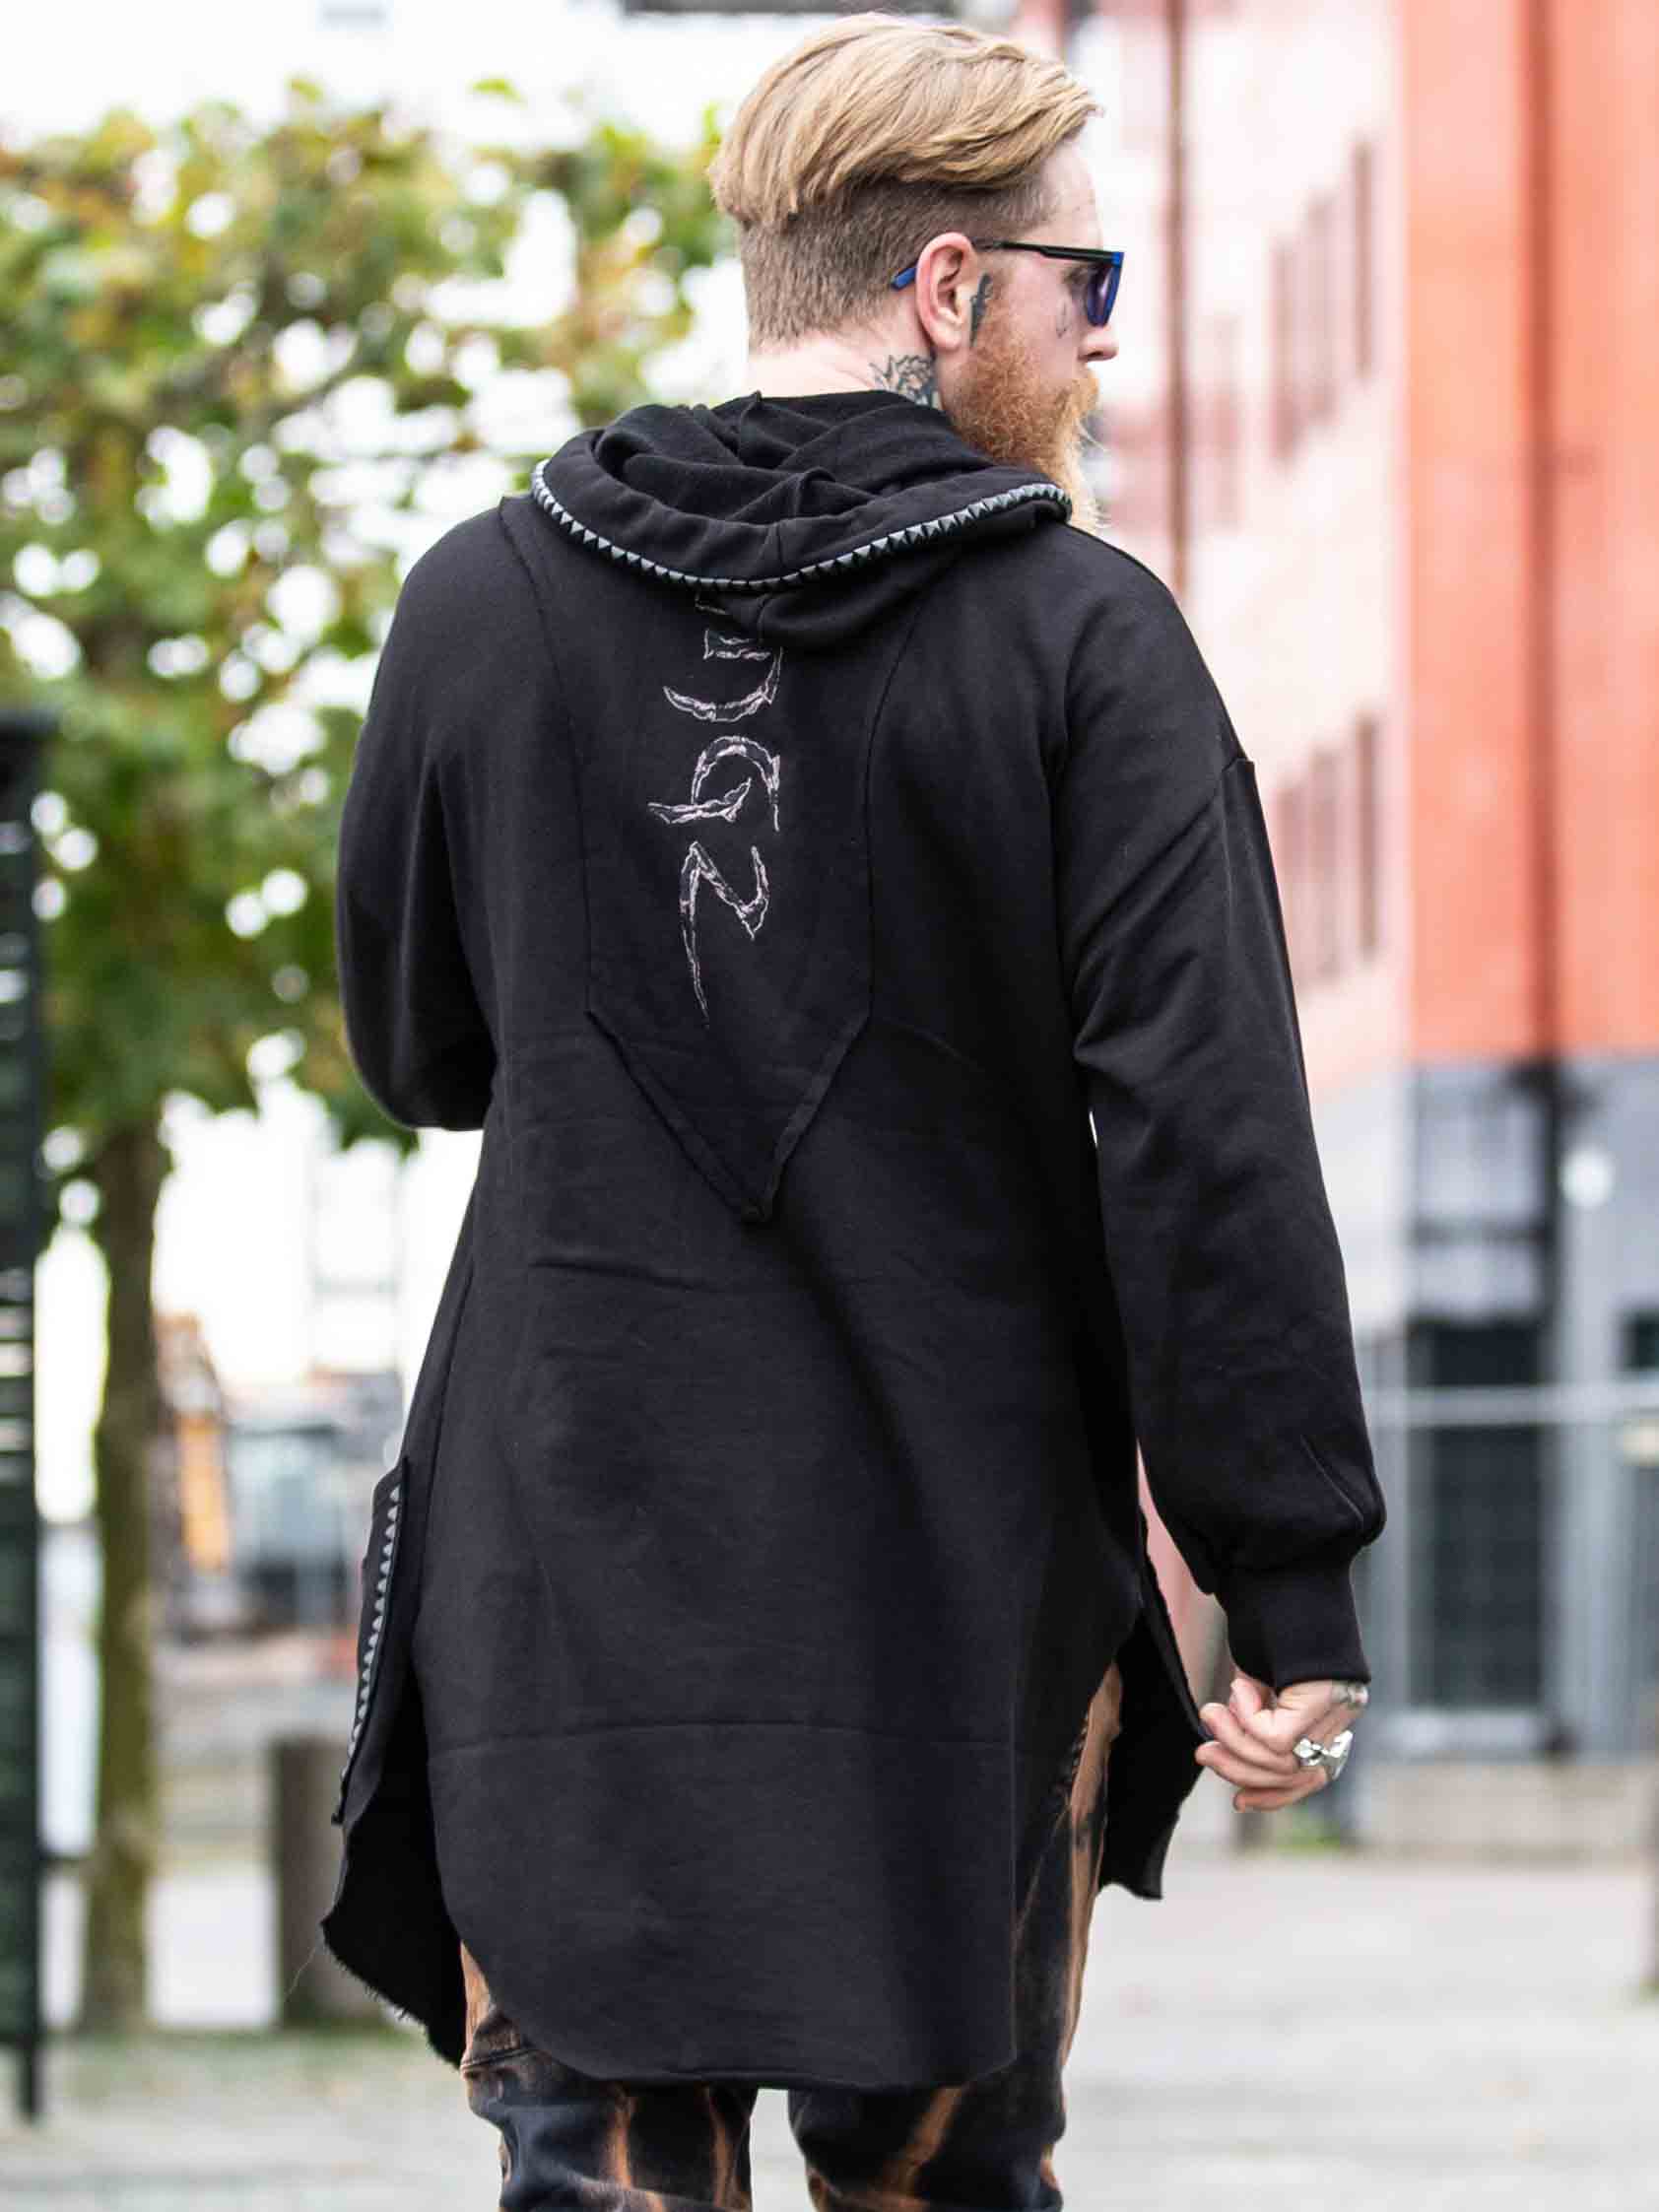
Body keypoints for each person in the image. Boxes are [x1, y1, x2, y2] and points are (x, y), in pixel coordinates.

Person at [320, 14, 1386, 2206]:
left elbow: (424, 1053)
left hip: (570, 1552)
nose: (1102, 342)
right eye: (1085, 284)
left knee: (603, 2168)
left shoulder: (479, 605)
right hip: (953, 1573)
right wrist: (1287, 1588)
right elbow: (1202, 1138)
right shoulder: (1087, 641)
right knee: (937, 2176)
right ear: (948, 285)